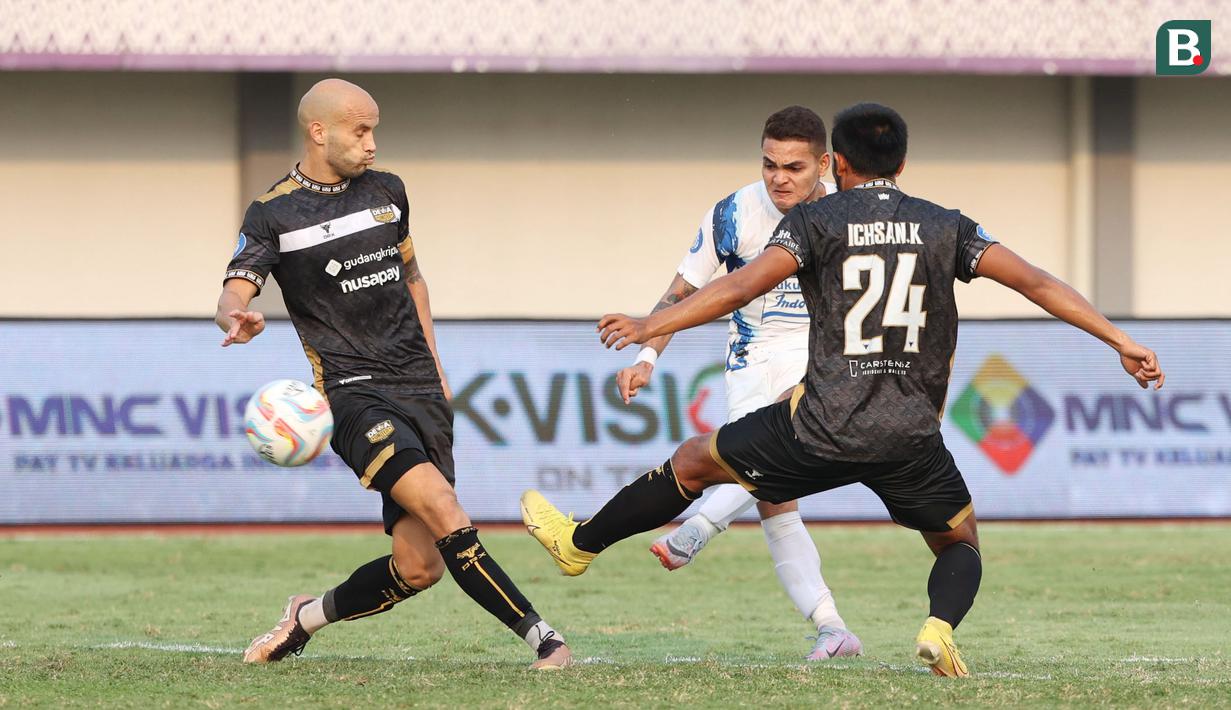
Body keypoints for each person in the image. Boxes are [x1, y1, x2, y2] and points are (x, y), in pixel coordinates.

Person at [521, 102, 1164, 676]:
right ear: (904, 162)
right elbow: (1037, 283)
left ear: (837, 162)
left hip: (819, 427)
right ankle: (939, 629)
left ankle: (581, 545)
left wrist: (650, 325)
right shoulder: (947, 226)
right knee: (959, 543)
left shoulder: (817, 221)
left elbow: (738, 286)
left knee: (696, 460)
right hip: (911, 436)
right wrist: (1119, 340)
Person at [217, 78, 571, 670]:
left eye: (375, 129)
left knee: (419, 567)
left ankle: (303, 618)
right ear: (319, 131)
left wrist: (435, 366)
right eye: (360, 131)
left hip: (421, 387)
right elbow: (233, 289)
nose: (372, 143)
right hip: (354, 396)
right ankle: (545, 641)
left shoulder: (388, 191)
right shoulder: (272, 213)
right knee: (444, 506)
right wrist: (239, 315)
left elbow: (413, 280)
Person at [613, 105, 860, 660]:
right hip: (749, 361)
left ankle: (698, 526)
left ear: (823, 164)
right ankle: (831, 625)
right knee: (774, 498)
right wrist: (647, 358)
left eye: (794, 167)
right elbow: (683, 291)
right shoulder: (732, 213)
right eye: (770, 164)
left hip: (818, 361)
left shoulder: (848, 216)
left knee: (774, 450)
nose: (779, 177)